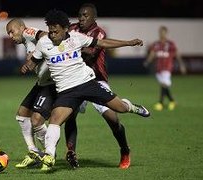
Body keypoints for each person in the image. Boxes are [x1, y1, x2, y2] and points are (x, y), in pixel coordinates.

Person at [21, 9, 150, 172]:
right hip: (66, 91)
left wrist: (128, 43)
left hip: (88, 83)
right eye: (51, 31)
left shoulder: (77, 38)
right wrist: (27, 66)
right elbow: (33, 62)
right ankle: (49, 156)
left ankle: (133, 107)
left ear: (66, 29)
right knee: (55, 120)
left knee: (120, 109)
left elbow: (102, 43)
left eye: (56, 31)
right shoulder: (43, 43)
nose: (52, 35)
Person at [64, 3, 131, 169]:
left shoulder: (99, 32)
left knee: (112, 118)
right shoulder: (71, 28)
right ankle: (71, 152)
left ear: (94, 17)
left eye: (85, 15)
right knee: (69, 114)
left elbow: (91, 52)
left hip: (96, 79)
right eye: (80, 15)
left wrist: (69, 48)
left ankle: (124, 149)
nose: (81, 18)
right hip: (76, 79)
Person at [6, 18, 53, 168]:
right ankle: (33, 152)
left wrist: (35, 54)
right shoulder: (26, 41)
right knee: (22, 114)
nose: (10, 36)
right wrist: (29, 63)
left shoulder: (27, 32)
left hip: (52, 83)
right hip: (42, 83)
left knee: (37, 119)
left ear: (21, 27)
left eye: (12, 32)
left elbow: (47, 36)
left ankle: (49, 154)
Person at [143, 26, 186, 111]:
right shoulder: (156, 44)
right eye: (160, 32)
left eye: (163, 32)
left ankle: (160, 103)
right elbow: (152, 54)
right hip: (158, 68)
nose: (162, 34)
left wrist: (182, 65)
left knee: (164, 84)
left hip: (167, 67)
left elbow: (177, 54)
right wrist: (147, 61)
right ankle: (172, 101)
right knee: (164, 85)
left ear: (166, 33)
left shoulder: (170, 44)